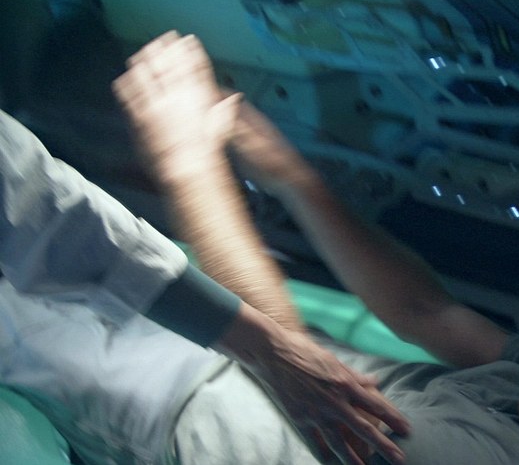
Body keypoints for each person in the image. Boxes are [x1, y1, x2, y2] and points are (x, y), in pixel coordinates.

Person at [0, 43, 408, 465]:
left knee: (33, 333)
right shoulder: (463, 394)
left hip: (186, 395)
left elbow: (321, 405)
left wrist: (188, 164)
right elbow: (427, 312)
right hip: (273, 359)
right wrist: (291, 178)